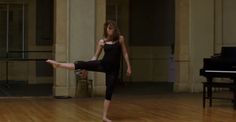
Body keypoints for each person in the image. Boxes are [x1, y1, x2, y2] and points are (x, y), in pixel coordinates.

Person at [46, 20, 132, 122]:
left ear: (115, 29)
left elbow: (125, 53)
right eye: (108, 28)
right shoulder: (102, 42)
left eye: (111, 28)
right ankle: (59, 64)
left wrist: (129, 67)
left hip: (113, 70)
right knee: (81, 63)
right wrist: (87, 67)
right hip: (102, 65)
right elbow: (95, 56)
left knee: (109, 91)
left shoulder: (120, 39)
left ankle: (104, 117)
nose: (109, 30)